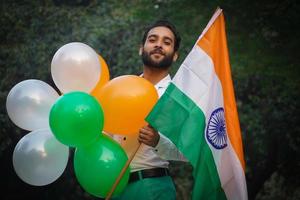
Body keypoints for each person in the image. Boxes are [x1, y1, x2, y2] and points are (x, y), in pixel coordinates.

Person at [114, 20, 187, 200]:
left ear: (175, 55)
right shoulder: (122, 89)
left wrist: (157, 141)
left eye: (166, 42)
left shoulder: (178, 98)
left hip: (152, 187)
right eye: (153, 39)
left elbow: (188, 150)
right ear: (142, 48)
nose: (159, 45)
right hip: (113, 187)